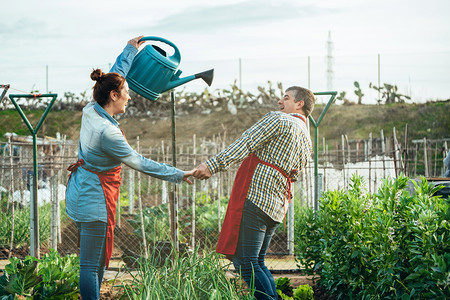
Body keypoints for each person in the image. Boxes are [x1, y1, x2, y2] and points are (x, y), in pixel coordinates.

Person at [65, 36, 195, 300]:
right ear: (113, 96)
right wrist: (180, 174)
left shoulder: (92, 109)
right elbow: (141, 163)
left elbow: (117, 74)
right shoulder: (108, 133)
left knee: (96, 260)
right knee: (91, 265)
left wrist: (130, 49)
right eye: (126, 93)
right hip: (94, 200)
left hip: (79, 192)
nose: (129, 97)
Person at [194, 86, 315, 300]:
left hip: (257, 198)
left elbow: (246, 143)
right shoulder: (307, 139)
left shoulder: (279, 120)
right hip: (277, 205)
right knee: (257, 261)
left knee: (245, 262)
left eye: (286, 98)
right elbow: (295, 173)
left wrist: (212, 165)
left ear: (300, 104)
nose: (280, 102)